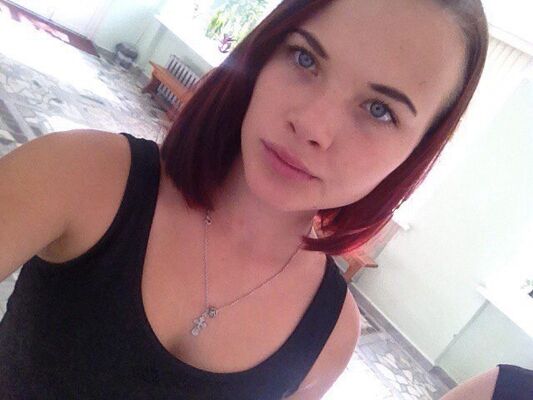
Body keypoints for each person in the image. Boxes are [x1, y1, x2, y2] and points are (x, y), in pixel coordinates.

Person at [0, 0, 490, 398]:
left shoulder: (329, 339)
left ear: (416, 153)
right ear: (263, 54)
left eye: (379, 109)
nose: (312, 125)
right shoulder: (83, 174)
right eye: (305, 58)